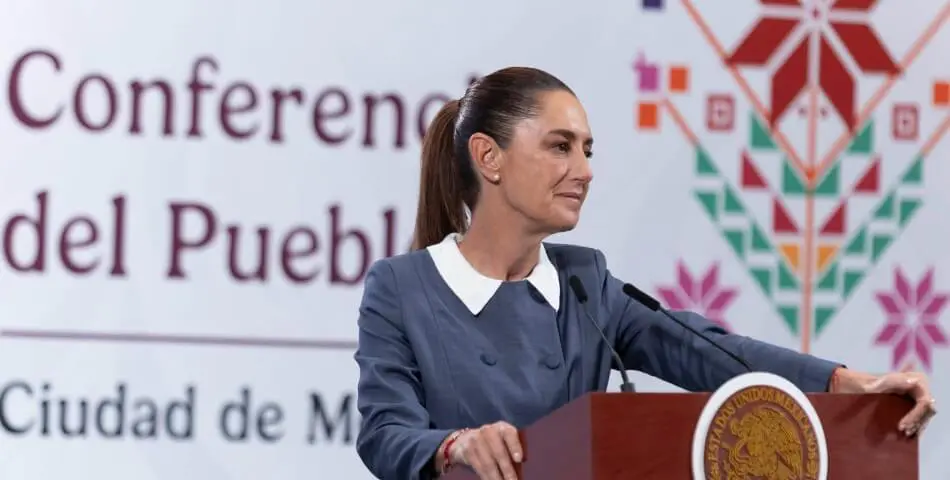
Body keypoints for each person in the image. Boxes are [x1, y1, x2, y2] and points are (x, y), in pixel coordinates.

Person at [352, 66, 937, 480]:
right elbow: (384, 434)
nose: (583, 170)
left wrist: (842, 383)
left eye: (588, 150)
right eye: (560, 147)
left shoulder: (585, 283)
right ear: (489, 157)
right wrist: (456, 445)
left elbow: (711, 352)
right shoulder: (403, 288)